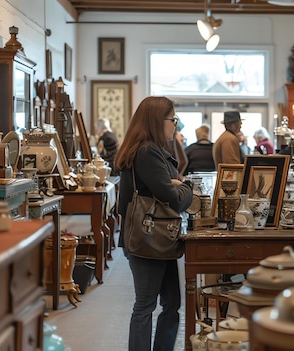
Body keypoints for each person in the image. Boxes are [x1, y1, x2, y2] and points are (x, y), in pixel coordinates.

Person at [115, 96, 193, 351]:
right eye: (173, 120)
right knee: (146, 305)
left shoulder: (152, 149)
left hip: (157, 235)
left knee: (171, 303)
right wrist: (186, 187)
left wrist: (177, 186)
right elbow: (174, 199)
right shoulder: (148, 152)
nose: (176, 125)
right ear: (156, 121)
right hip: (148, 236)